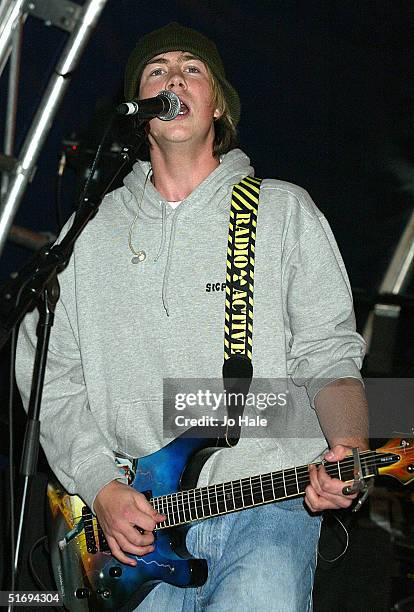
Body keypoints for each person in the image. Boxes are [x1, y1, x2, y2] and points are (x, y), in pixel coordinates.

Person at [16, 22, 369, 611]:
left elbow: (330, 354)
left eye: (192, 69)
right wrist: (100, 483)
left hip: (267, 505)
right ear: (140, 110)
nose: (174, 78)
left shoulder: (281, 212)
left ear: (218, 106)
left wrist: (350, 443)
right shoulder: (88, 236)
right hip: (133, 534)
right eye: (158, 70)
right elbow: (50, 377)